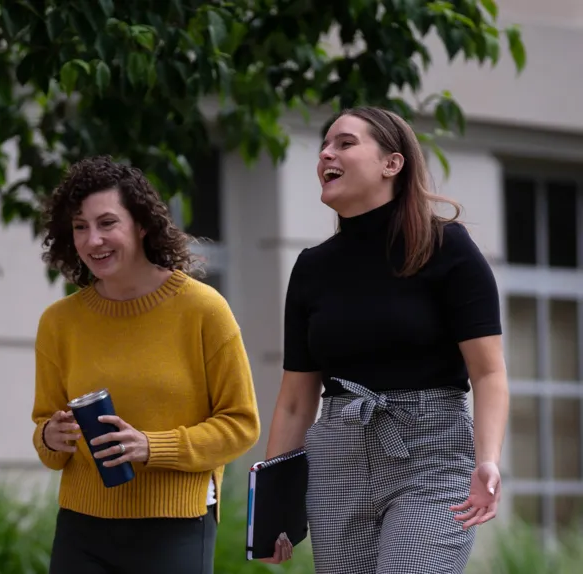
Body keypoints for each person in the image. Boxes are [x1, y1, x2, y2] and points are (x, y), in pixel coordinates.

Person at [262, 107, 509, 573]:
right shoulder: (312, 268)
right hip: (338, 455)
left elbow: (489, 370)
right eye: (324, 146)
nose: (326, 154)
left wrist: (488, 461)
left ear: (391, 164)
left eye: (345, 143)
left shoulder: (447, 247)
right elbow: (296, 400)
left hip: (430, 455)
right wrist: (274, 501)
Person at [31, 156, 260, 574]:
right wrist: (51, 435)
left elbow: (241, 425)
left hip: (176, 525)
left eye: (107, 223)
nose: (92, 240)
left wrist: (152, 446)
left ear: (141, 225)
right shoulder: (59, 322)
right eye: (80, 227)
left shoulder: (203, 310)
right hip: (82, 529)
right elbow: (46, 440)